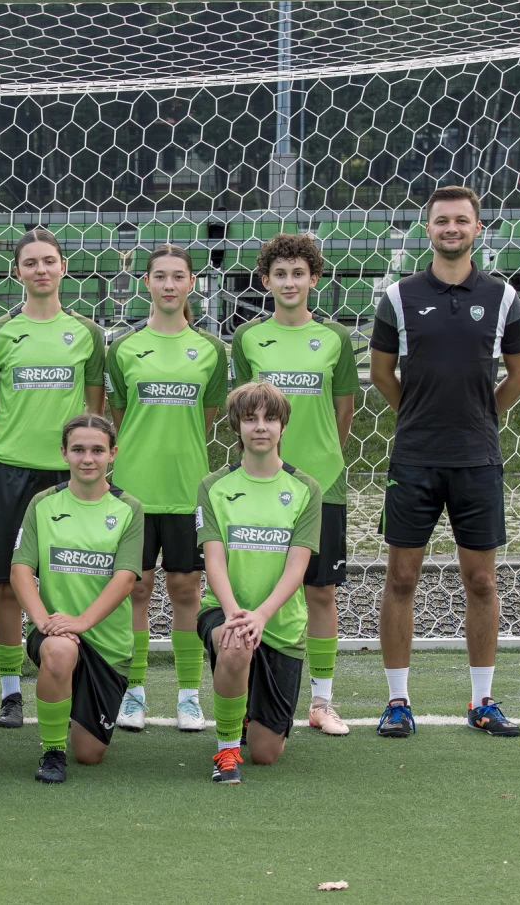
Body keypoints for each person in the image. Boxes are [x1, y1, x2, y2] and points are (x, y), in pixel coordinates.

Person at [369, 185, 520, 738]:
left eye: (462, 220)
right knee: (401, 577)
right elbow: (382, 373)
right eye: (442, 220)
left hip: (477, 460)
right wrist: (420, 414)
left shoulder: (503, 296)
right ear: (429, 228)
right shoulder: (399, 296)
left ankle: (482, 700)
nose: (452, 229)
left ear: (477, 228)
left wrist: (481, 418)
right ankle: (397, 701)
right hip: (415, 457)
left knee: (481, 580)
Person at [0, 228, 106, 729]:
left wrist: (80, 458)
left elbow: (94, 407)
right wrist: (8, 440)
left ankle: (71, 679)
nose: (40, 270)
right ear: (17, 272)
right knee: (8, 582)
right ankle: (10, 692)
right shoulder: (0, 332)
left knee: (66, 579)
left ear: (63, 267)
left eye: (49, 261)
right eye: (30, 262)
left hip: (65, 474)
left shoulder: (86, 332)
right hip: (9, 470)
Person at [231, 232, 356, 736]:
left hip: (321, 483)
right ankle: (247, 701)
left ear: (314, 280)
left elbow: (343, 410)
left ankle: (322, 702)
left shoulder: (335, 338)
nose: (289, 282)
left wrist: (318, 459)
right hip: (260, 483)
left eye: (298, 273)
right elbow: (243, 410)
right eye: (279, 274)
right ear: (265, 281)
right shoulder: (247, 338)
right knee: (255, 589)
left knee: (320, 592)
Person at [106, 244, 226, 733]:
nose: (170, 285)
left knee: (185, 589)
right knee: (135, 588)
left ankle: (188, 696)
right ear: (147, 283)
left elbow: (207, 416)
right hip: (134, 490)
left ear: (191, 283)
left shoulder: (210, 350)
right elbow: (120, 416)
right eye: (161, 276)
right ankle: (133, 692)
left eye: (179, 276)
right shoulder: (124, 348)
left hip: (186, 489)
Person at [195, 382, 322, 785]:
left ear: (283, 426)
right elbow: (214, 561)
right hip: (225, 612)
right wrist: (235, 614)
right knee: (236, 642)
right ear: (237, 426)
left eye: (270, 418)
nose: (261, 427)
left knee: (266, 754)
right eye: (250, 419)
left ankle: (250, 714)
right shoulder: (213, 486)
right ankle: (227, 750)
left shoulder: (306, 489)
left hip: (280, 623)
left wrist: (262, 615)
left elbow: (297, 568)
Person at [10, 413, 143, 783]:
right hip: (55, 631)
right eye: (78, 449)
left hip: (107, 644)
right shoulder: (43, 503)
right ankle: (53, 752)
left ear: (113, 454)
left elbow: (125, 579)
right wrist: (44, 622)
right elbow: (19, 570)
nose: (88, 458)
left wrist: (82, 622)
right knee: (58, 650)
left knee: (89, 754)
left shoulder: (128, 508)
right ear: (64, 453)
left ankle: (69, 701)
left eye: (97, 450)